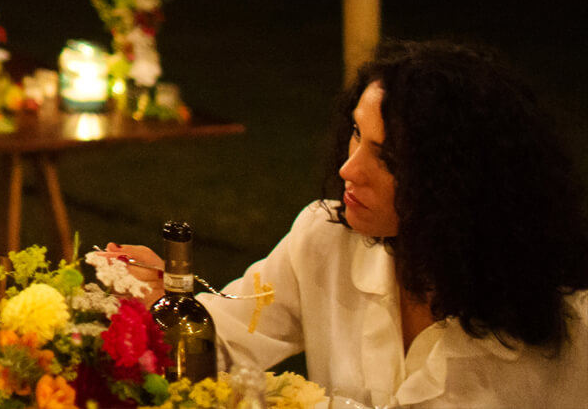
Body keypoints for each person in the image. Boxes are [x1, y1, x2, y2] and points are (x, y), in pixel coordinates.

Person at [113, 39, 588, 408]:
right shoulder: (325, 238)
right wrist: (163, 302)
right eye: (356, 133)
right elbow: (224, 340)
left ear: (456, 186)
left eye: (387, 159)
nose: (348, 169)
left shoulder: (565, 329)